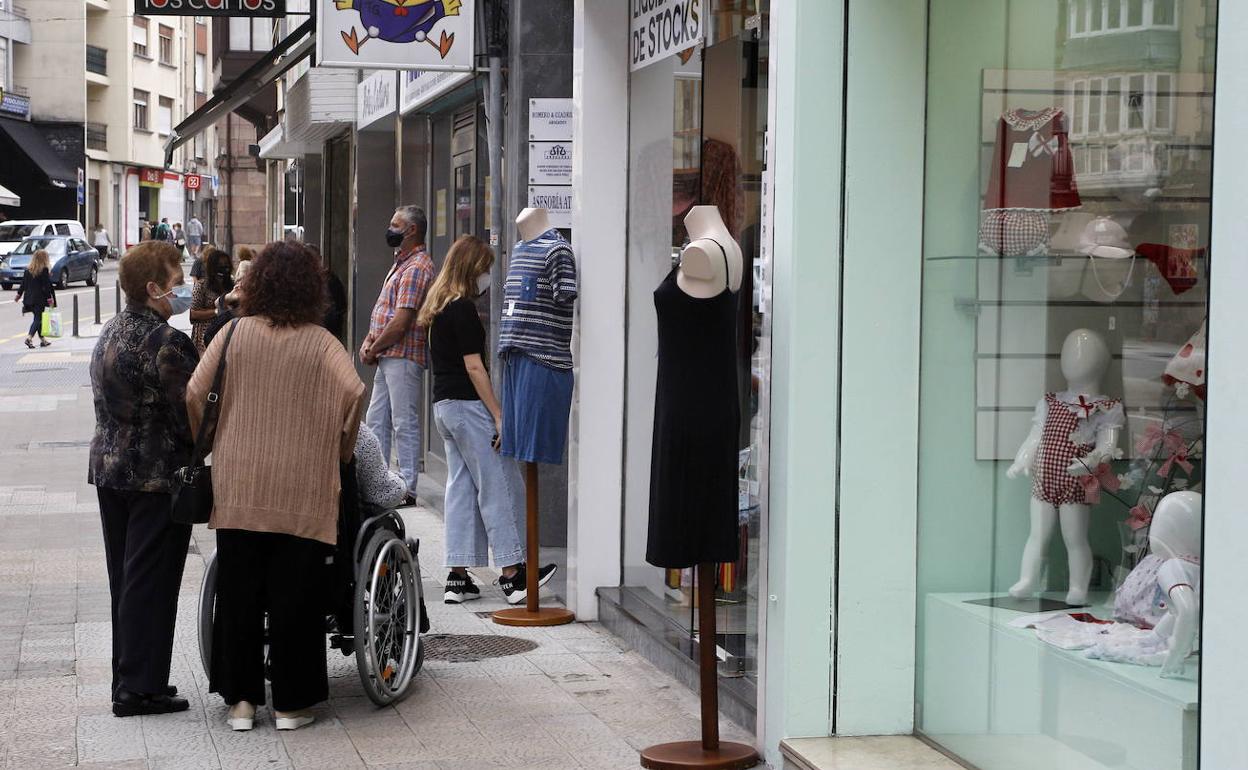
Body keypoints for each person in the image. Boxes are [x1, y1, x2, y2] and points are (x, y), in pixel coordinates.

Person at [188, 241, 365, 733]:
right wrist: (340, 447)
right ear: (311, 289)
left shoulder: (233, 333)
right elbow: (353, 392)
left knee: (239, 592)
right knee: (297, 597)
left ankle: (241, 703)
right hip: (303, 487)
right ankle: (290, 704)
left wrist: (212, 438)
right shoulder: (322, 341)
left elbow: (195, 391)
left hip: (239, 480)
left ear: (258, 282)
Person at [88, 241, 198, 717]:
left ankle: (128, 678)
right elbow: (189, 413)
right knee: (151, 582)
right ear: (154, 288)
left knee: (127, 580)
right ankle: (141, 687)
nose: (184, 288)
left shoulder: (110, 331)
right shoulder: (166, 342)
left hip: (111, 471)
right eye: (177, 280)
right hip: (155, 476)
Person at [417, 235, 554, 604]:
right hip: (467, 405)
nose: (488, 276)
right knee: (500, 483)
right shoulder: (461, 308)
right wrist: (498, 416)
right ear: (472, 268)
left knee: (461, 488)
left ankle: (458, 578)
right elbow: (474, 366)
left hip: (444, 408)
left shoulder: (438, 306)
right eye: (486, 268)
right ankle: (514, 574)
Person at [361, 205, 435, 507]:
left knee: (404, 421)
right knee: (376, 418)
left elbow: (402, 320)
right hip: (387, 354)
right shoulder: (401, 263)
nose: (389, 229)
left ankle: (407, 487)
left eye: (395, 225)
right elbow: (385, 309)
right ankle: (376, 480)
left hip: (402, 355)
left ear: (412, 230)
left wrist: (374, 346)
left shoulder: (417, 266)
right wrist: (370, 341)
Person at [189, 247, 234, 353]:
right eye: (220, 265)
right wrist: (217, 312)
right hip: (204, 339)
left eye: (226, 264)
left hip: (227, 335)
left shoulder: (232, 284)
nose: (224, 268)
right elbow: (193, 313)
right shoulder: (201, 285)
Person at [13, 248, 56, 349]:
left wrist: (18, 295)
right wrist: (50, 300)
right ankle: (29, 338)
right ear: (44, 259)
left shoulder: (28, 270)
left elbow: (23, 284)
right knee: (38, 319)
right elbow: (46, 287)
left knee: (38, 318)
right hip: (39, 299)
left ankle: (42, 340)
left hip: (29, 299)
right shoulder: (44, 270)